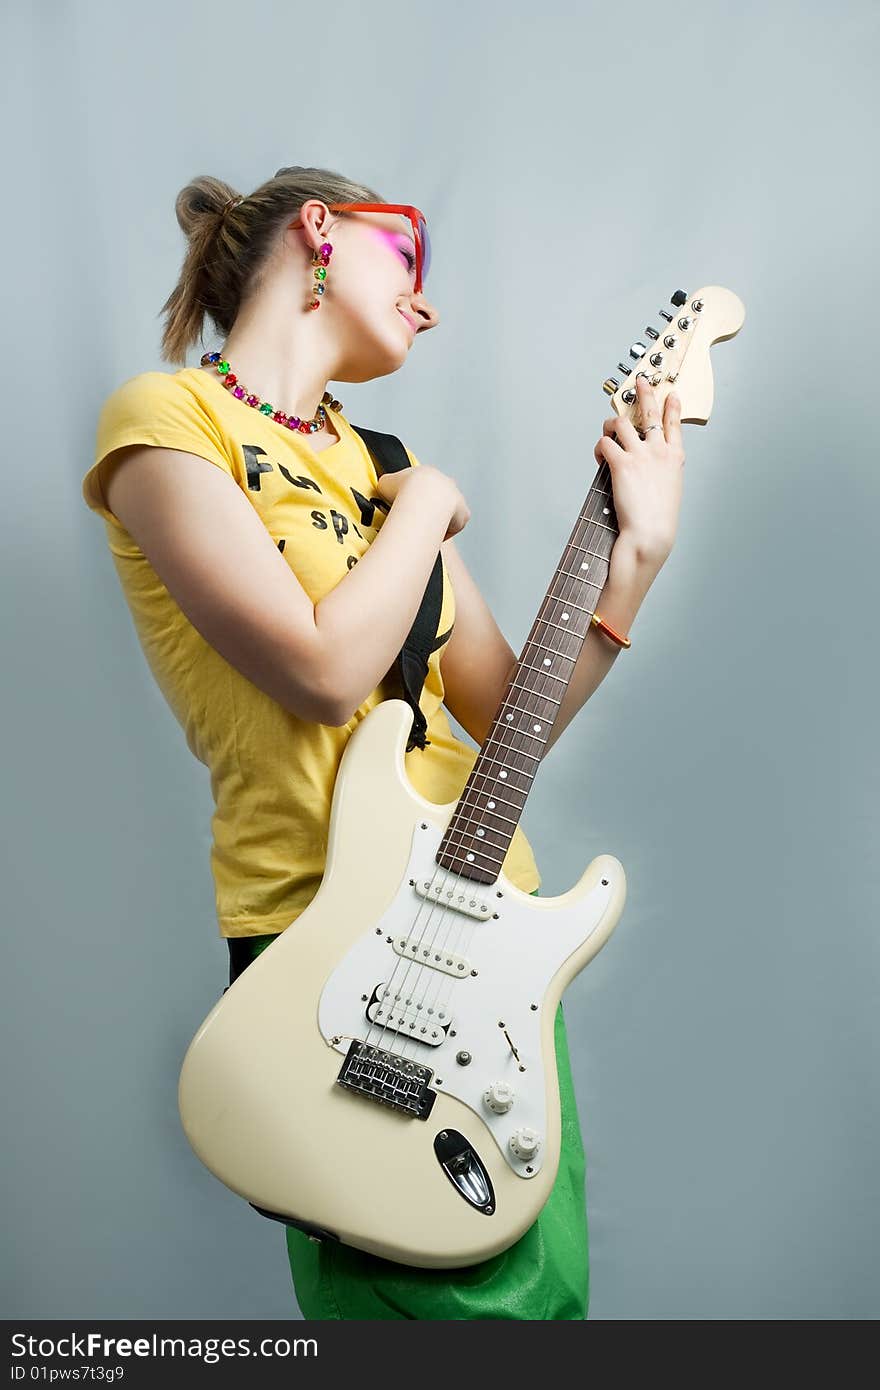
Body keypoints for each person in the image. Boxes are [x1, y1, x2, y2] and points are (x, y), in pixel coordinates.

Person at [81, 164, 685, 1320]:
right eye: (408, 259)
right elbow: (318, 672)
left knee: (546, 1300)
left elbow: (508, 719)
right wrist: (418, 511)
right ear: (320, 230)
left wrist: (635, 567)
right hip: (329, 964)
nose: (429, 303)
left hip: (488, 949)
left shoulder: (384, 459)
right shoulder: (167, 424)